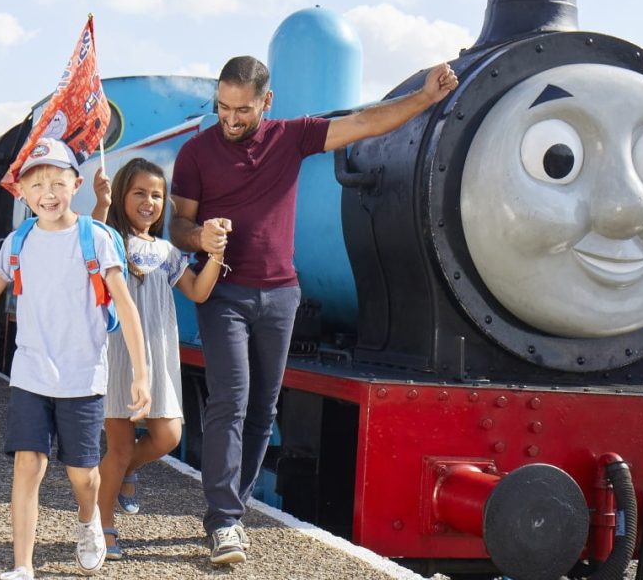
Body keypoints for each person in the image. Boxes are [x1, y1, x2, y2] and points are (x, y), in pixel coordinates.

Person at [169, 55, 459, 564]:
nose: (231, 121)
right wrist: (200, 235)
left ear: (267, 102)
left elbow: (364, 122)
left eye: (243, 110)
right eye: (222, 108)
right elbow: (178, 227)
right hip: (225, 295)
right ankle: (223, 521)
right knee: (230, 400)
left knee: (262, 410)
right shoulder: (196, 153)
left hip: (282, 295)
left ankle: (231, 508)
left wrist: (425, 98)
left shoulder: (291, 137)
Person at [0, 137, 151, 580]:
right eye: (36, 183)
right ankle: (22, 565)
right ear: (20, 191)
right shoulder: (18, 242)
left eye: (58, 182)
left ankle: (88, 521)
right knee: (30, 463)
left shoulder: (97, 238)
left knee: (82, 474)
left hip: (82, 379)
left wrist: (142, 374)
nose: (48, 192)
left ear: (75, 184)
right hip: (30, 374)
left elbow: (125, 305)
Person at [90, 157, 228, 560]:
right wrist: (100, 203)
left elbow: (198, 292)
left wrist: (216, 254)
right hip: (117, 352)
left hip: (158, 355)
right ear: (121, 196)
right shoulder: (109, 238)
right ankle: (103, 525)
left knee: (168, 435)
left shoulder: (166, 251)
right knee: (117, 447)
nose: (148, 201)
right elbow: (91, 233)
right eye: (139, 193)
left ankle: (128, 471)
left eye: (156, 194)